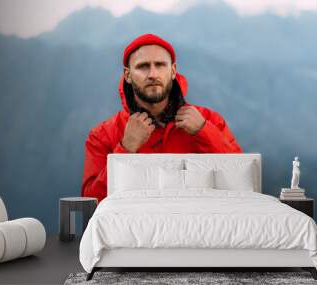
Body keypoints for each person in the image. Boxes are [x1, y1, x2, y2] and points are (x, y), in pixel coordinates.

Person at [81, 33, 243, 202]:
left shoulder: (210, 121)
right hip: (135, 228)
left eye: (160, 65)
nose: (153, 74)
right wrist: (126, 148)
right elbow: (91, 202)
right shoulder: (102, 135)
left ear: (172, 71)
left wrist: (204, 132)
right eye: (143, 66)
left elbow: (241, 180)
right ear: (127, 75)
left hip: (198, 226)